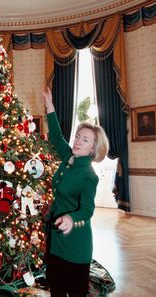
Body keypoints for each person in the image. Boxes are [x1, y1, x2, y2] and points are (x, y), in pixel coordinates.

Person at [42, 88, 109, 297]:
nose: (78, 141)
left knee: (76, 292)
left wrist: (71, 218)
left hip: (75, 244)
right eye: (78, 136)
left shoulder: (89, 176)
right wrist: (50, 106)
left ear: (93, 149)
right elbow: (56, 136)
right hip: (57, 239)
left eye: (85, 140)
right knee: (57, 290)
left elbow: (88, 209)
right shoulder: (68, 158)